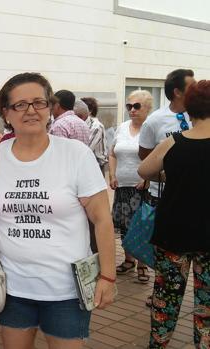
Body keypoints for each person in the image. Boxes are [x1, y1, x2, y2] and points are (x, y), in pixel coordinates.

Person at [0, 72, 116, 349]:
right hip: (11, 288)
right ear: (6, 112)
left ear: (50, 108)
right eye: (20, 105)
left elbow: (101, 218)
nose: (31, 111)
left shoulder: (75, 154)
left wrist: (107, 275)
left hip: (67, 291)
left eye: (39, 102)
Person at [138, 79, 210, 348]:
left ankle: (159, 344)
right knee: (208, 305)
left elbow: (144, 171)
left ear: (188, 109)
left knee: (166, 299)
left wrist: (173, 175)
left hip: (173, 234)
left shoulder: (173, 142)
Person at [109, 90, 152, 283]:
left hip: (142, 187)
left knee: (141, 226)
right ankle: (128, 260)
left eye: (137, 106)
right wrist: (112, 173)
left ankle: (143, 264)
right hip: (122, 186)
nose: (132, 110)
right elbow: (112, 153)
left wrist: (148, 179)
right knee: (125, 225)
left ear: (148, 108)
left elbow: (159, 158)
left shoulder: (150, 128)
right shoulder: (122, 127)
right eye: (129, 106)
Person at [138, 69, 194, 203]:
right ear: (177, 92)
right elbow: (144, 155)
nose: (196, 90)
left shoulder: (201, 115)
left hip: (196, 192)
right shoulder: (154, 121)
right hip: (163, 195)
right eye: (192, 87)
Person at [81, 97, 108, 171]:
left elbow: (87, 148)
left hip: (95, 166)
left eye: (81, 109)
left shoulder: (96, 126)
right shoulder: (83, 124)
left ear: (90, 111)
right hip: (87, 164)